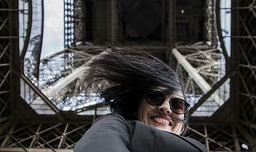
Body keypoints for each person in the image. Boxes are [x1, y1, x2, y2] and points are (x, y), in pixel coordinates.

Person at [74, 48, 208, 152]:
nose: (166, 108)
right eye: (156, 97)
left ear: (183, 126)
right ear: (138, 106)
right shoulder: (114, 126)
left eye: (178, 104)